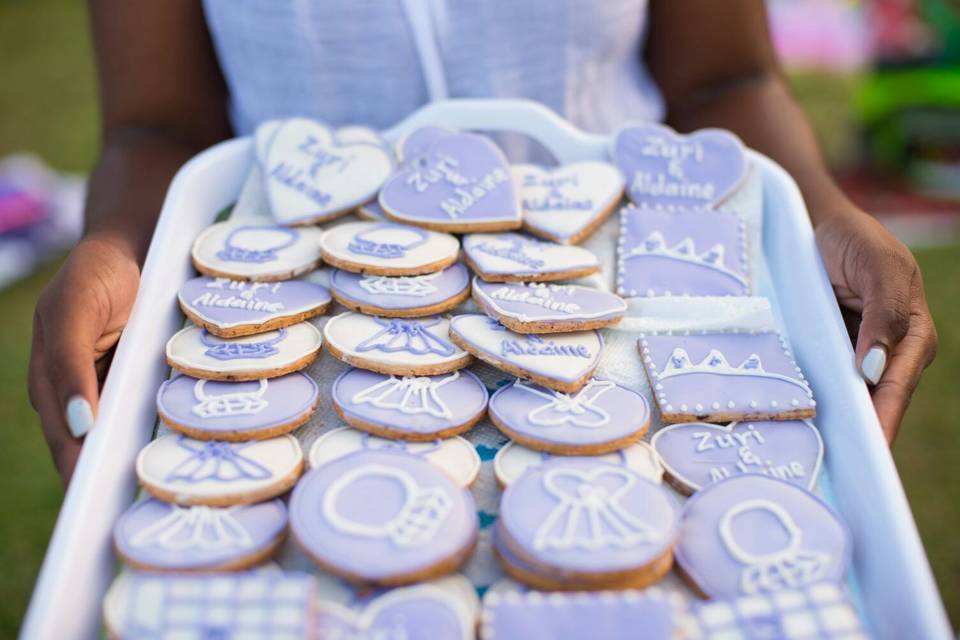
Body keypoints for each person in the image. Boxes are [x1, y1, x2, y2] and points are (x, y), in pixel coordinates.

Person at [29, 1, 938, 483]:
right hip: (304, 345)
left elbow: (725, 76)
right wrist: (120, 248)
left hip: (625, 312)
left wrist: (821, 212)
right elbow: (157, 125)